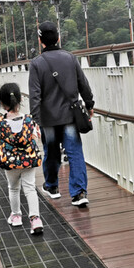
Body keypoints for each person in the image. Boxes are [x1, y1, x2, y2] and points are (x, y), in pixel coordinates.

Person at [28, 21, 94, 207]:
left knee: (51, 152)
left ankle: (52, 186)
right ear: (58, 38)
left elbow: (35, 95)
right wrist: (89, 104)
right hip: (69, 117)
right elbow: (84, 84)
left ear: (40, 40)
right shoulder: (70, 58)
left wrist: (35, 120)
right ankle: (79, 193)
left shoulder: (36, 64)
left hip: (47, 119)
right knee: (74, 153)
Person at [0, 82, 43, 235]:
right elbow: (35, 138)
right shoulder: (29, 120)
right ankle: (35, 219)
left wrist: (8, 148)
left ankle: (16, 216)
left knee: (13, 188)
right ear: (20, 100)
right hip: (28, 161)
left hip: (10, 162)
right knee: (30, 188)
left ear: (2, 103)